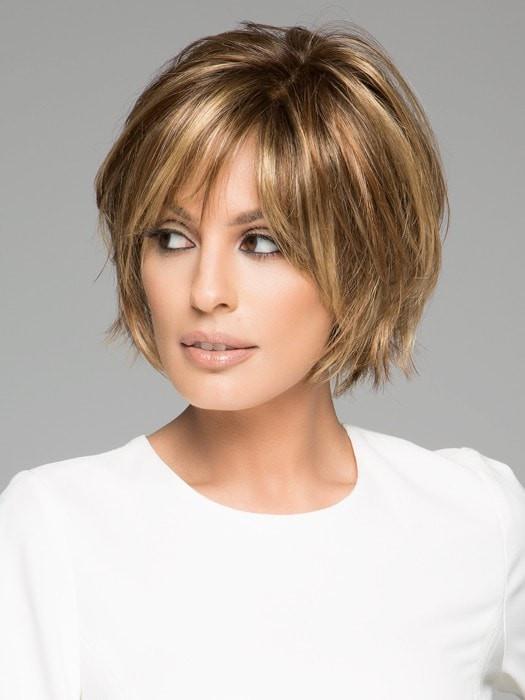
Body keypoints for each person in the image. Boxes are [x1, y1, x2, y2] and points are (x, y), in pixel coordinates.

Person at [1, 19, 523, 699]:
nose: (206, 292)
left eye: (262, 243)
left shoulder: (475, 517)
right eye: (171, 237)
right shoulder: (55, 528)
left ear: (363, 259)